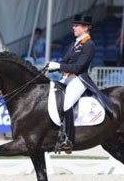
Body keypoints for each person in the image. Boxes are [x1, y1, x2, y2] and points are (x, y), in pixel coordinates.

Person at [47, 14, 113, 153]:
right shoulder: (74, 43)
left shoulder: (89, 44)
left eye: (77, 25)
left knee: (66, 103)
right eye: (74, 25)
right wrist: (56, 66)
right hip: (66, 78)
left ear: (86, 28)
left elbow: (78, 67)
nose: (74, 27)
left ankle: (68, 138)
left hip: (79, 79)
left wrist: (58, 66)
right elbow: (65, 61)